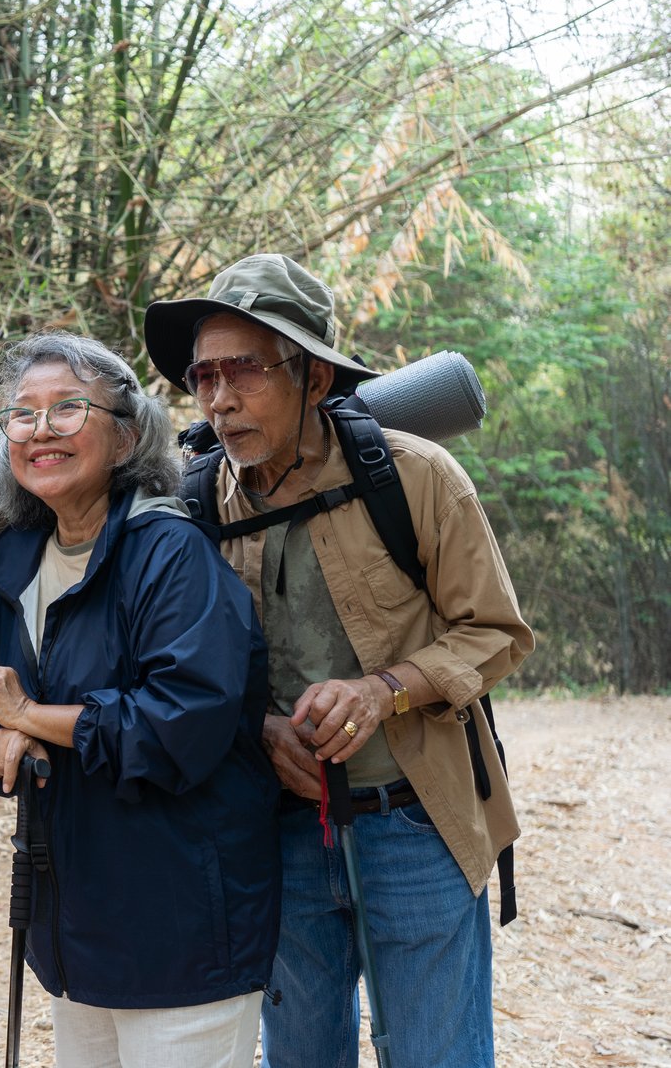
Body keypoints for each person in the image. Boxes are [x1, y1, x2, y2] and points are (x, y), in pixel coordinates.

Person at [143, 253, 535, 1067]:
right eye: (205, 375)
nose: (219, 399)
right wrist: (257, 728)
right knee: (300, 1056)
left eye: (245, 370)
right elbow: (176, 669)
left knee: (437, 1055)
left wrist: (383, 690)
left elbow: (496, 632)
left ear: (314, 377)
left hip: (416, 820)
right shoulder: (194, 505)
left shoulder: (416, 477)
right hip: (277, 828)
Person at [0, 332, 281, 1068]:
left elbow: (180, 723)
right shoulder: (17, 565)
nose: (41, 430)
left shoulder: (171, 554)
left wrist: (29, 717)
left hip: (180, 925)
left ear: (127, 437)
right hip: (74, 923)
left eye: (68, 409)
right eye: (23, 414)